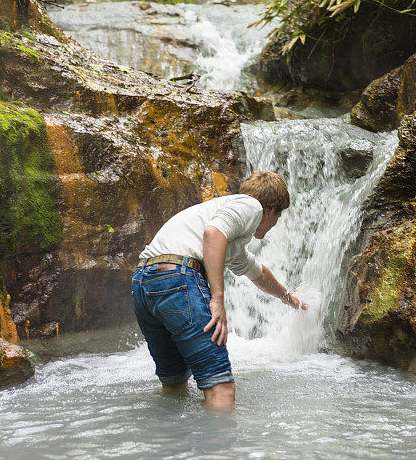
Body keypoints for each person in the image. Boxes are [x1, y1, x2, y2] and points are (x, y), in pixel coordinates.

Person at [131, 171, 308, 408]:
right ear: (271, 210)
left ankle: (172, 444)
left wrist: (290, 299)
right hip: (177, 279)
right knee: (221, 386)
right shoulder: (251, 206)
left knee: (175, 384)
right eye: (279, 215)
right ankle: (219, 445)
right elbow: (213, 233)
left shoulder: (230, 235)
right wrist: (217, 298)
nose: (276, 223)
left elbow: (257, 272)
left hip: (144, 282)